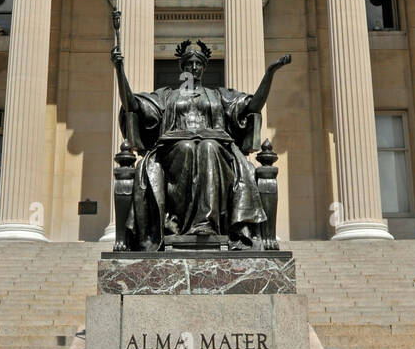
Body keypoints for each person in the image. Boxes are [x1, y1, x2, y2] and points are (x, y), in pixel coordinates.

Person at [112, 36, 291, 251]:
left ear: (204, 68)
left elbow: (252, 106)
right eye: (189, 64)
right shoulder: (167, 96)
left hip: (216, 150)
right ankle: (183, 224)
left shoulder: (218, 95)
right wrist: (120, 70)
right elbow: (133, 105)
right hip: (174, 150)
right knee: (188, 147)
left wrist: (269, 73)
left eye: (198, 64)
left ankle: (204, 224)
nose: (194, 67)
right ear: (182, 67)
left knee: (208, 147)